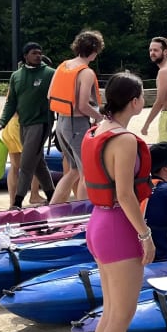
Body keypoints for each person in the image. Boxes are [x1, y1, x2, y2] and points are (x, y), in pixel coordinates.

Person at [82, 72, 155, 332]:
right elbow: (126, 195)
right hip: (118, 228)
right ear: (135, 101)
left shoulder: (96, 130)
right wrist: (146, 235)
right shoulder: (124, 139)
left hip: (98, 223)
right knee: (120, 315)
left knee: (110, 312)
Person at [0, 42, 56, 207]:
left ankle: (17, 202)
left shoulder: (50, 73)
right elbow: (11, 103)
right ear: (25, 55)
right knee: (38, 164)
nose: (38, 55)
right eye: (34, 53)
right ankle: (53, 196)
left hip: (41, 123)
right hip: (23, 125)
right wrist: (1, 123)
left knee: (26, 163)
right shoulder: (16, 76)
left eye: (40, 53)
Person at [48, 30, 104, 204]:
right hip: (77, 125)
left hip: (61, 124)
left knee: (72, 170)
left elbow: (49, 95)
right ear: (94, 51)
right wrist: (100, 117)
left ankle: (53, 208)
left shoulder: (63, 66)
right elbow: (82, 105)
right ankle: (84, 213)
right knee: (87, 172)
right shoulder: (86, 72)